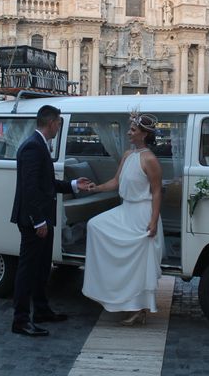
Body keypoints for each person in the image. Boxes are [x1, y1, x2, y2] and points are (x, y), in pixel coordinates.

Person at [10, 105, 91, 337]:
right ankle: (21, 319)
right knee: (27, 271)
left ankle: (42, 310)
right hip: (34, 220)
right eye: (58, 123)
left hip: (43, 218)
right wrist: (38, 222)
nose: (59, 127)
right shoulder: (32, 147)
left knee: (42, 268)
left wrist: (75, 185)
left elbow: (47, 184)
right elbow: (30, 189)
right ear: (51, 122)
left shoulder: (39, 145)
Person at [82, 112, 164, 326]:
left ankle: (140, 308)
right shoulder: (128, 155)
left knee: (139, 264)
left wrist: (153, 221)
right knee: (95, 225)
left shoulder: (151, 160)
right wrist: (95, 188)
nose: (129, 132)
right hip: (125, 210)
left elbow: (156, 192)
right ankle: (116, 293)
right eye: (130, 129)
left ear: (144, 134)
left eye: (133, 130)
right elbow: (116, 182)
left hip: (142, 214)